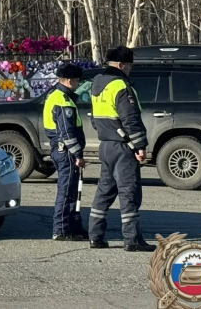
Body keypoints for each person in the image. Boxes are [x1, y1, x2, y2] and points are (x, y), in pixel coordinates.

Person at [88, 46, 154, 252]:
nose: (130, 71)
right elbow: (130, 118)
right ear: (121, 65)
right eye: (129, 67)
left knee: (104, 192)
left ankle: (95, 236)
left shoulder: (97, 84)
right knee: (129, 192)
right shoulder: (120, 85)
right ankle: (132, 239)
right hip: (123, 146)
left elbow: (96, 117)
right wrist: (140, 146)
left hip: (106, 144)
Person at [44, 63, 88, 241]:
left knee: (71, 191)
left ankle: (73, 228)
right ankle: (61, 230)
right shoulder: (62, 100)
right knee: (67, 192)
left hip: (61, 150)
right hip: (66, 152)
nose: (79, 84)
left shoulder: (57, 95)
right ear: (69, 81)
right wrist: (78, 154)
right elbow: (67, 132)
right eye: (77, 81)